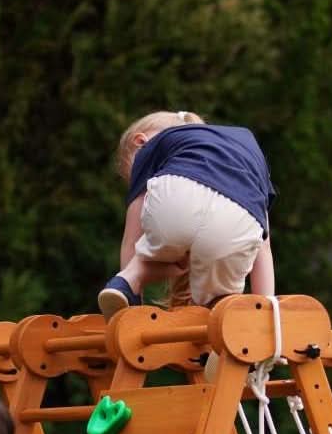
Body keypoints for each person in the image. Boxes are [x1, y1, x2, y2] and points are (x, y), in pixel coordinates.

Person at [98, 110, 276, 317]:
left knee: (141, 261)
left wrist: (132, 293)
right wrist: (267, 309)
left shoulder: (150, 148)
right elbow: (263, 248)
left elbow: (131, 240)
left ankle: (128, 282)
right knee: (220, 301)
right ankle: (218, 311)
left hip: (175, 204)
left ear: (140, 142)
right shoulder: (244, 153)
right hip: (238, 220)